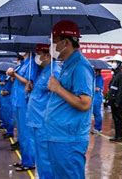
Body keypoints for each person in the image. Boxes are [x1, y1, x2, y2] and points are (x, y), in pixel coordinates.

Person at [44, 20, 94, 179]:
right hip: (59, 136)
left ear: (66, 42)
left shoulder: (80, 66)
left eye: (54, 41)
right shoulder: (67, 64)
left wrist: (58, 88)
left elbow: (85, 103)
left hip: (68, 140)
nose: (51, 46)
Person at [26, 44, 60, 179]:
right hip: (36, 120)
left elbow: (56, 96)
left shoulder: (54, 72)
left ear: (47, 55)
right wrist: (31, 88)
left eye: (39, 53)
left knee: (46, 159)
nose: (37, 57)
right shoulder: (44, 71)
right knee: (40, 157)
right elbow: (41, 93)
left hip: (43, 121)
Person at [7, 52, 39, 172]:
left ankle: (30, 162)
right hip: (18, 101)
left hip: (24, 102)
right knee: (21, 134)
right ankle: (24, 160)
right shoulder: (23, 64)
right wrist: (13, 75)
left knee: (27, 134)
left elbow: (29, 82)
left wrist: (14, 74)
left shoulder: (32, 64)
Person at [108, 54, 122, 142]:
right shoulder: (115, 74)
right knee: (115, 119)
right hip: (113, 101)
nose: (113, 63)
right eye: (113, 62)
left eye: (115, 62)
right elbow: (111, 87)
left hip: (117, 102)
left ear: (119, 64)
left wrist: (118, 102)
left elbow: (121, 90)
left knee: (119, 119)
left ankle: (120, 136)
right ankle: (116, 136)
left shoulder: (121, 75)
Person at [91, 68, 104, 134]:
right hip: (94, 96)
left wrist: (91, 87)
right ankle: (96, 127)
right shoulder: (94, 78)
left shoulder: (99, 78)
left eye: (95, 71)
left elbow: (98, 88)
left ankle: (98, 128)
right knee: (94, 112)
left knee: (97, 112)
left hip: (97, 97)